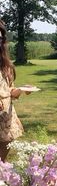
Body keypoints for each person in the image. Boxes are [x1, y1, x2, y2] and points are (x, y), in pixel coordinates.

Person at [0, 20, 24, 161]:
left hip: (6, 124)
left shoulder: (5, 64)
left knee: (2, 165)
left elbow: (9, 90)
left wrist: (18, 91)